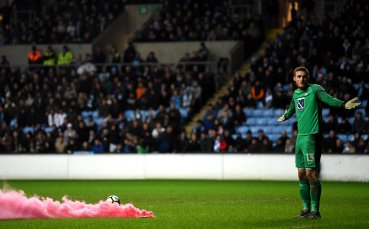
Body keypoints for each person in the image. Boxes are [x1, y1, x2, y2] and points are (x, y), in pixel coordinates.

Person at [277, 66, 360, 219]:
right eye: (298, 76)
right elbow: (292, 109)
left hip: (312, 137)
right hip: (300, 137)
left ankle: (315, 211)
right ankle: (305, 209)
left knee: (311, 173)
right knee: (301, 174)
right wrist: (286, 116)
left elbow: (329, 99)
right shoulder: (295, 94)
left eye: (304, 76)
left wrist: (343, 104)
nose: (301, 79)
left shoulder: (315, 89)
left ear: (307, 77)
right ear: (294, 79)